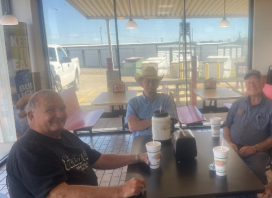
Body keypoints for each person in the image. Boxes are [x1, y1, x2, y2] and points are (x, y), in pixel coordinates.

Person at [7, 90, 149, 198]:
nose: (60, 114)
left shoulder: (64, 135)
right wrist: (120, 191)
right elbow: (59, 194)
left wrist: (138, 157)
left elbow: (99, 159)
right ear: (31, 116)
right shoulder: (29, 150)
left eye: (62, 108)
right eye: (50, 110)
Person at [223, 69, 272, 185]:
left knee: (253, 176)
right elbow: (227, 125)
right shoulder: (237, 104)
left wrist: (254, 148)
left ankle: (256, 193)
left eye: (255, 81)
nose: (252, 85)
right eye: (248, 82)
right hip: (232, 147)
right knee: (220, 171)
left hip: (257, 152)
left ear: (263, 83)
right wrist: (230, 143)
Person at [125, 66, 178, 136]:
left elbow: (171, 122)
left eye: (154, 81)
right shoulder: (133, 103)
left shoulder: (166, 99)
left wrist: (141, 122)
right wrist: (160, 120)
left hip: (162, 139)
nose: (151, 84)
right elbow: (132, 127)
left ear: (158, 84)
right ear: (141, 84)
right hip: (140, 140)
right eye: (147, 81)